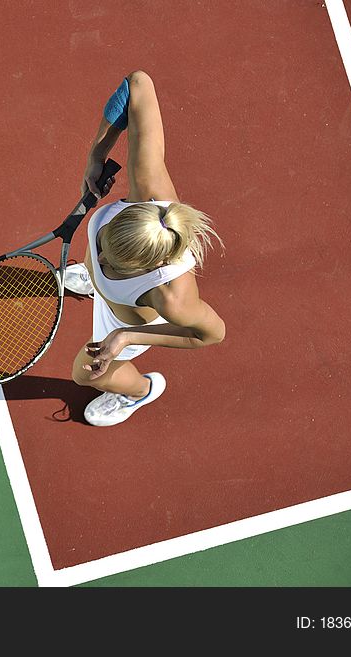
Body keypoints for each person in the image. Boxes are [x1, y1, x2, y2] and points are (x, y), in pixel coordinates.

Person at [65, 70, 225, 427]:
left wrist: (124, 337)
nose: (100, 255)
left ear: (147, 269)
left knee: (86, 375)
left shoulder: (171, 299)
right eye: (105, 242)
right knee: (98, 269)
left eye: (112, 262)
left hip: (122, 319)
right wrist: (97, 155)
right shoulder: (149, 189)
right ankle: (95, 283)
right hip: (118, 291)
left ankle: (138, 391)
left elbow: (212, 335)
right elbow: (137, 84)